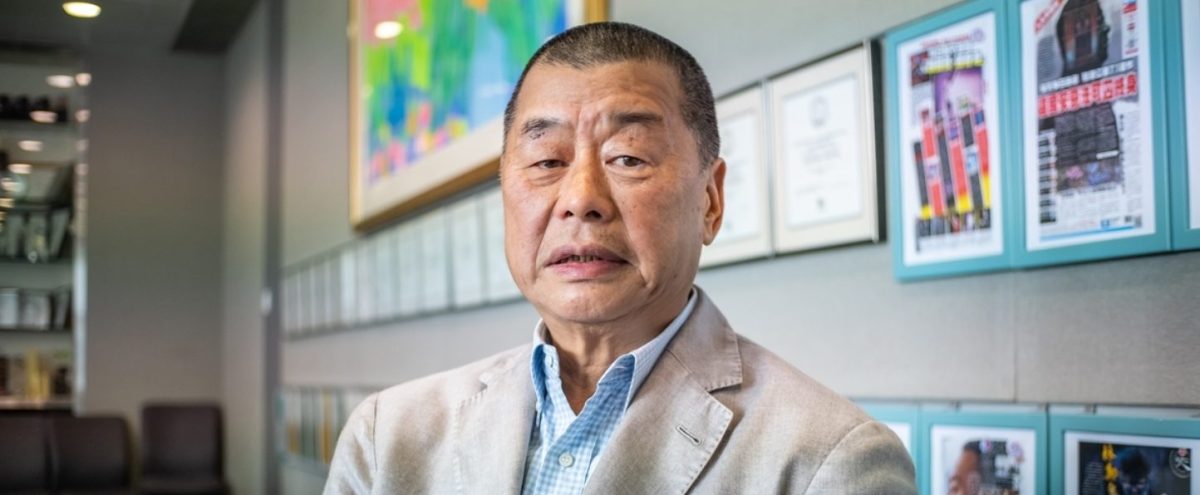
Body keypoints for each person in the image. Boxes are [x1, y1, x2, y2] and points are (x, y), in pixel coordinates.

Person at [324, 22, 916, 494]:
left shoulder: (827, 460)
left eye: (628, 157)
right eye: (546, 161)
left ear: (711, 202)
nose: (580, 199)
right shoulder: (387, 437)